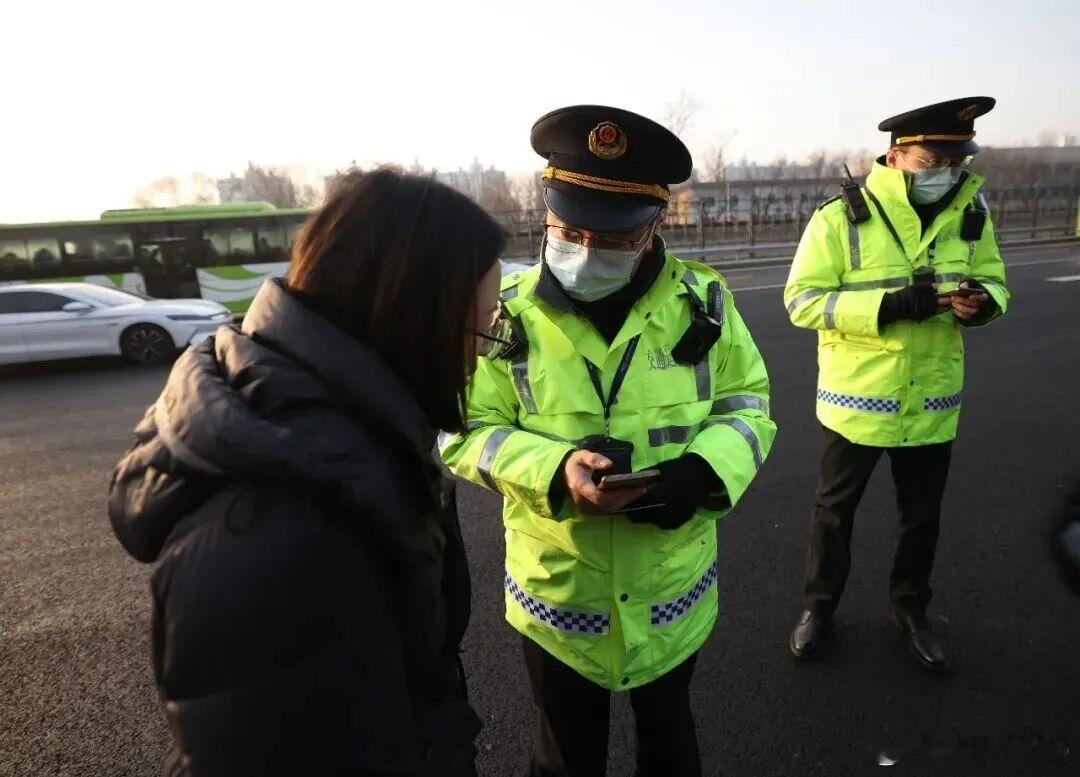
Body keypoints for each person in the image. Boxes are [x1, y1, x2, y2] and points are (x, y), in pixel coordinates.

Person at [108, 168, 505, 776]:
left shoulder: (337, 438)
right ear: (410, 316)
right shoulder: (285, 530)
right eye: (480, 325)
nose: (484, 349)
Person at [440, 105, 776, 776]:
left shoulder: (704, 302)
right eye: (569, 230)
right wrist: (553, 468)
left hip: (671, 591)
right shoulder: (502, 309)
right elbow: (459, 429)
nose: (587, 249)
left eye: (614, 237)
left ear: (655, 226)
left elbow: (749, 405)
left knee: (671, 745)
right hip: (560, 603)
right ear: (547, 214)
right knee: (564, 756)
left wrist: (705, 474)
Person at [783, 97, 1010, 671]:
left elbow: (995, 282)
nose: (947, 172)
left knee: (922, 519)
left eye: (956, 161)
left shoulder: (972, 214)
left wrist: (981, 305)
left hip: (932, 400)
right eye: (934, 160)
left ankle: (912, 610)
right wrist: (886, 307)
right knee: (834, 514)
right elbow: (802, 302)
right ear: (895, 156)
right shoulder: (838, 219)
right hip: (857, 404)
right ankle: (818, 609)